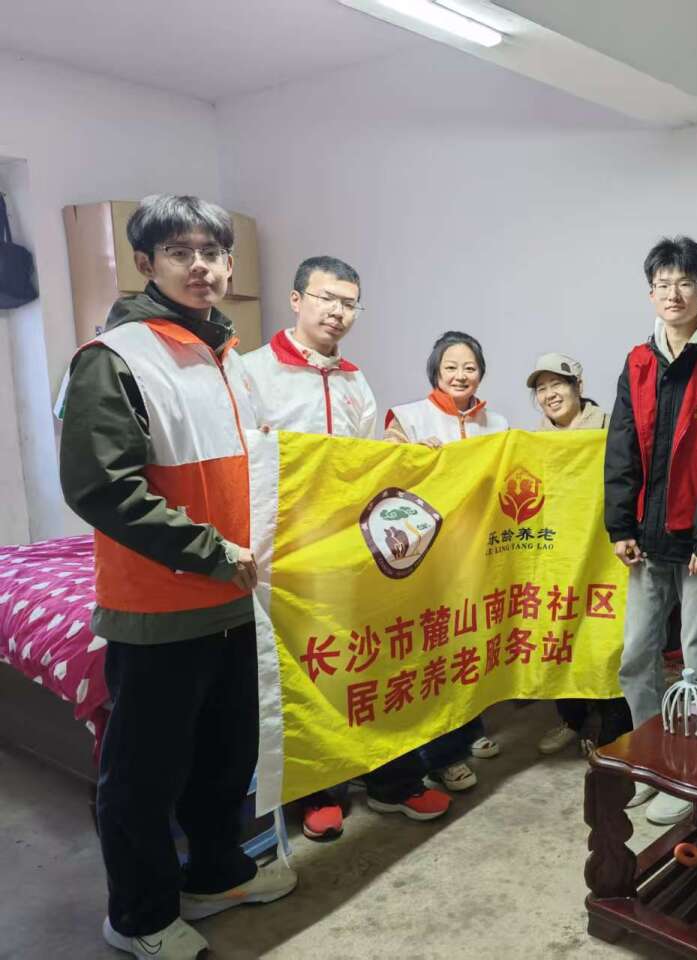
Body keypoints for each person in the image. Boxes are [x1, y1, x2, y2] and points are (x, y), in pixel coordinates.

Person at [59, 194, 296, 960]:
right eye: (179, 252)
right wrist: (210, 550)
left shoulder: (226, 354)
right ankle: (138, 916)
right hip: (160, 607)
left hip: (236, 599)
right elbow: (100, 487)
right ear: (145, 263)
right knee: (144, 776)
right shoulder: (114, 358)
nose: (201, 266)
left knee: (225, 756)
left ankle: (216, 874)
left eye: (213, 252)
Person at [242, 255, 450, 840]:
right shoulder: (252, 371)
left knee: (370, 660)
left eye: (349, 303)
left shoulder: (356, 381)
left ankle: (389, 780)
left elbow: (364, 464)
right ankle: (315, 791)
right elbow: (244, 461)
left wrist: (401, 454)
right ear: (296, 300)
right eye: (326, 298)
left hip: (353, 547)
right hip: (287, 551)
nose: (337, 312)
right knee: (305, 668)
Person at [604, 236, 697, 825]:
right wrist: (620, 524)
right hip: (645, 540)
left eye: (685, 283)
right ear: (651, 293)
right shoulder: (638, 361)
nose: (673, 294)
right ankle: (650, 761)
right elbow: (621, 446)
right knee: (636, 657)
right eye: (662, 284)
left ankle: (689, 774)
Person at [386, 330, 506, 790]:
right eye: (451, 366)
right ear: (435, 370)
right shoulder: (408, 417)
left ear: (481, 373)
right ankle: (441, 755)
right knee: (437, 651)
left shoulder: (497, 424)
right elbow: (386, 477)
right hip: (429, 557)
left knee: (475, 643)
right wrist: (409, 457)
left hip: (479, 552)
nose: (460, 375)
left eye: (469, 367)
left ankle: (470, 728)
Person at [526, 352, 630, 756]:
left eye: (558, 384)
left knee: (604, 637)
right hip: (558, 554)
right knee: (560, 633)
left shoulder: (609, 427)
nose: (550, 394)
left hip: (604, 553)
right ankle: (570, 719)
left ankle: (614, 728)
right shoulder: (534, 442)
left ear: (578, 387)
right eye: (541, 388)